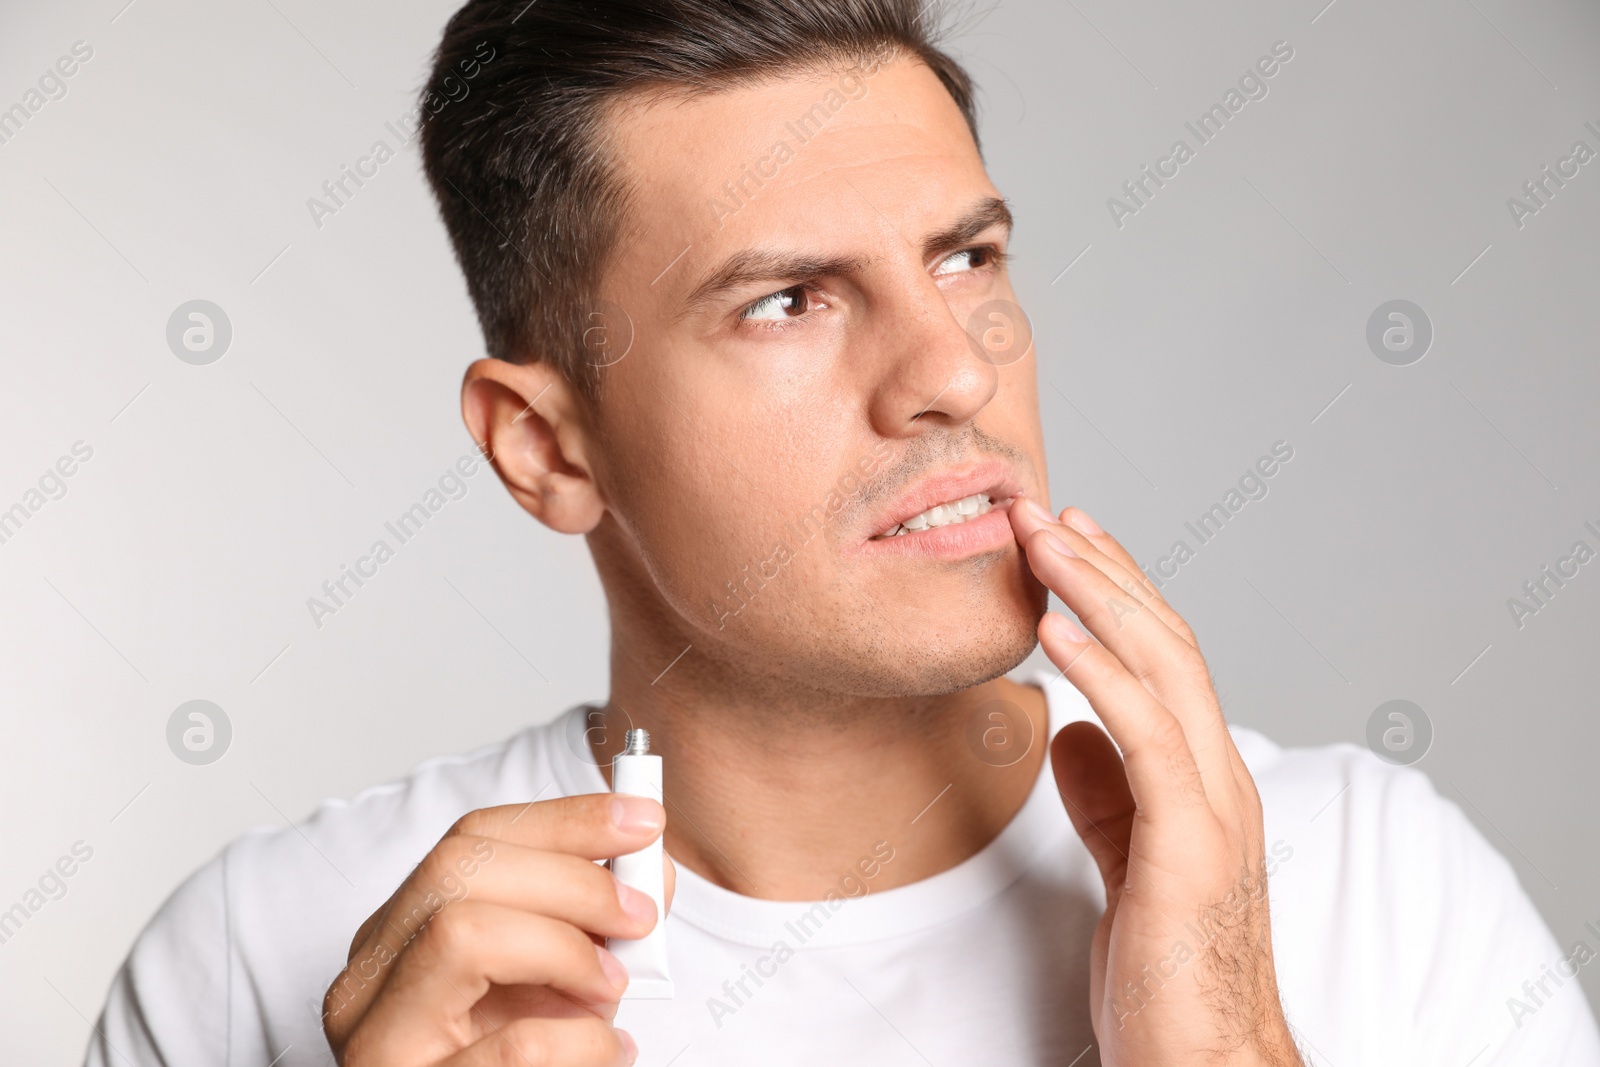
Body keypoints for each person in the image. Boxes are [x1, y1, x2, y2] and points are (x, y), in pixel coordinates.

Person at [87, 2, 1600, 1064]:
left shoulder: (1377, 884)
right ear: (547, 448)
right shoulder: (260, 955)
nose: (954, 369)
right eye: (789, 299)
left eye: (968, 256)